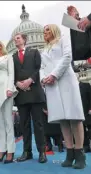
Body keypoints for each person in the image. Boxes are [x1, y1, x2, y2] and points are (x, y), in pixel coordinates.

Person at [40, 24, 86, 169]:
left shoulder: (63, 39)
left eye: (47, 29)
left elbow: (67, 57)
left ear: (54, 30)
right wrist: (43, 79)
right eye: (44, 31)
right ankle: (69, 152)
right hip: (52, 85)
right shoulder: (43, 49)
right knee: (63, 120)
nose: (45, 32)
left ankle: (79, 153)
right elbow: (41, 67)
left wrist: (54, 74)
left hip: (65, 80)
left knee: (74, 117)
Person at [12, 33, 47, 163]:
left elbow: (39, 68)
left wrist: (30, 80)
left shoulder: (34, 52)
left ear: (24, 40)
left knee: (38, 124)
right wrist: (17, 83)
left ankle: (42, 151)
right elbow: (12, 73)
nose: (16, 40)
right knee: (24, 125)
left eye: (18, 38)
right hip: (21, 94)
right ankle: (27, 152)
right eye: (14, 39)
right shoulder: (12, 57)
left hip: (34, 92)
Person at [79, 81, 91, 153]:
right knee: (82, 130)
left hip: (88, 111)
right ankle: (85, 146)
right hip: (78, 113)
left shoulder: (86, 85)